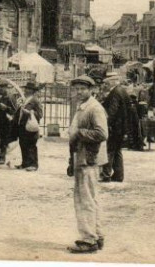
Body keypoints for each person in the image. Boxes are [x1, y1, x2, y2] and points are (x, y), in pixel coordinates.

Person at [67, 76, 108, 254]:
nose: (79, 92)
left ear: (91, 90)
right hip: (81, 157)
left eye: (83, 89)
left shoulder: (94, 108)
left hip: (88, 158)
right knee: (90, 198)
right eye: (76, 89)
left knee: (85, 200)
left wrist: (79, 133)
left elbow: (102, 133)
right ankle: (96, 235)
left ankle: (88, 239)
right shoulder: (82, 107)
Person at [100, 73, 129, 182]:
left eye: (107, 83)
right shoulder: (122, 90)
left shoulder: (115, 93)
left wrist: (106, 123)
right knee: (117, 151)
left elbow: (112, 111)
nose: (105, 85)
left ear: (112, 82)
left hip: (114, 127)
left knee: (110, 150)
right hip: (121, 127)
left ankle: (106, 175)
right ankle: (118, 175)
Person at [15, 81, 43, 171]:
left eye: (28, 89)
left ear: (32, 91)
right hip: (23, 125)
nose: (26, 90)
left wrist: (30, 112)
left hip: (30, 126)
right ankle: (25, 163)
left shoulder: (35, 100)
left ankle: (33, 164)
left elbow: (40, 114)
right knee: (23, 144)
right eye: (26, 88)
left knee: (31, 145)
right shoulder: (25, 99)